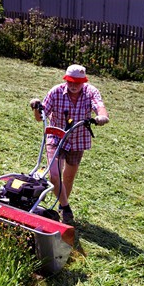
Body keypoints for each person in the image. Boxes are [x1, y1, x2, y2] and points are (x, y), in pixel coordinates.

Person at [30, 64, 109, 225]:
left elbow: (100, 107)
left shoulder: (90, 92)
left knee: (68, 177)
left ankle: (61, 205)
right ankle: (66, 208)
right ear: (66, 80)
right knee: (54, 175)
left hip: (78, 139)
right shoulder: (56, 91)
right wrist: (36, 107)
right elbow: (40, 117)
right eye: (70, 82)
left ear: (84, 81)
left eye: (77, 82)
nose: (73, 86)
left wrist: (102, 117)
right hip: (56, 137)